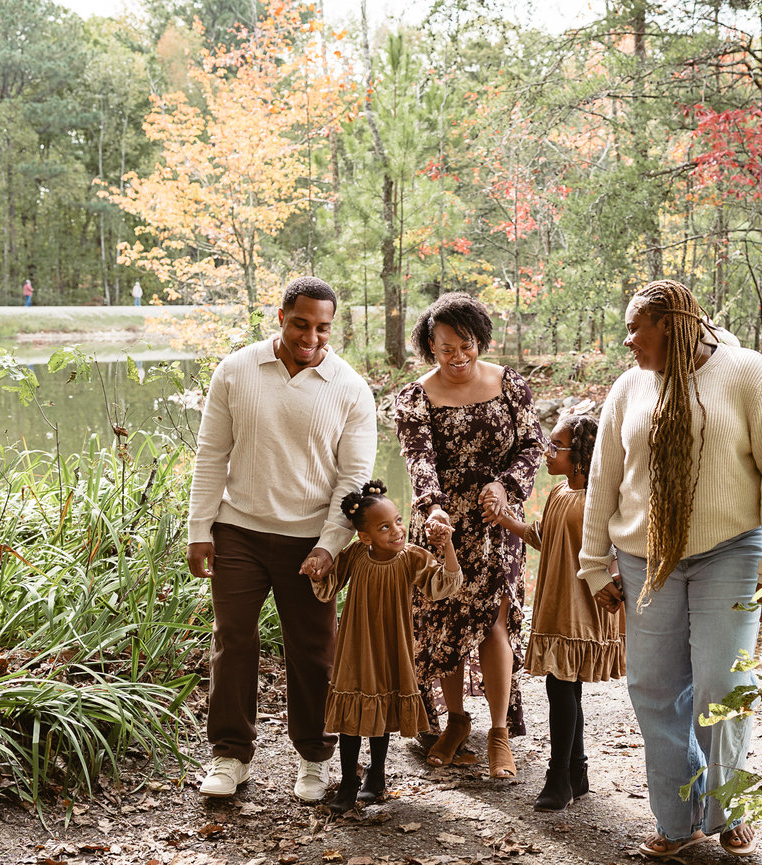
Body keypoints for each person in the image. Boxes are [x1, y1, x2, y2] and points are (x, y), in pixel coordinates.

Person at [577, 279, 762, 858]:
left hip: (728, 551)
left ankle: (727, 807)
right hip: (643, 558)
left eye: (637, 328)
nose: (627, 340)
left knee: (721, 686)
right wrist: (594, 564)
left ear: (673, 327)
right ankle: (678, 822)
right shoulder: (629, 387)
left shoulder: (750, 374)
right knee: (654, 689)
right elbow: (604, 478)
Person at [187, 276, 376, 802]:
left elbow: (354, 479)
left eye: (322, 327)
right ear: (281, 316)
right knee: (233, 643)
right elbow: (210, 455)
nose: (311, 337)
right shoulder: (237, 369)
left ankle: (314, 757)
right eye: (301, 324)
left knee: (314, 651)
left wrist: (329, 544)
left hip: (309, 540)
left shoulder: (349, 387)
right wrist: (200, 529)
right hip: (239, 531)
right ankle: (230, 755)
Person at [394, 291, 544, 779]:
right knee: (446, 623)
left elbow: (531, 445)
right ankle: (456, 721)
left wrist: (506, 485)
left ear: (480, 339)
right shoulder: (416, 396)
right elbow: (420, 459)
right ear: (429, 346)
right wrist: (433, 508)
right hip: (441, 524)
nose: (458, 357)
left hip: (498, 522)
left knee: (495, 622)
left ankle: (499, 732)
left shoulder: (509, 384)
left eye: (467, 345)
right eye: (446, 348)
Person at [493, 412, 624, 812]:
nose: (547, 453)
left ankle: (559, 778)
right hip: (556, 602)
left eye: (556, 447)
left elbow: (621, 548)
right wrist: (504, 519)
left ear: (581, 455)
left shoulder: (602, 499)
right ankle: (576, 771)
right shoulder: (559, 494)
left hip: (583, 606)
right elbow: (544, 537)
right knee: (566, 687)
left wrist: (617, 583)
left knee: (560, 685)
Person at [307, 480, 464, 814]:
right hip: (355, 645)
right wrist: (317, 572)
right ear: (365, 537)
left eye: (398, 521)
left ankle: (375, 776)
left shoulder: (412, 558)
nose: (397, 531)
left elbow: (444, 585)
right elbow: (328, 589)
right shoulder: (354, 555)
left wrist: (447, 546)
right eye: (385, 527)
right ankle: (349, 781)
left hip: (391, 645)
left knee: (381, 709)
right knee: (352, 716)